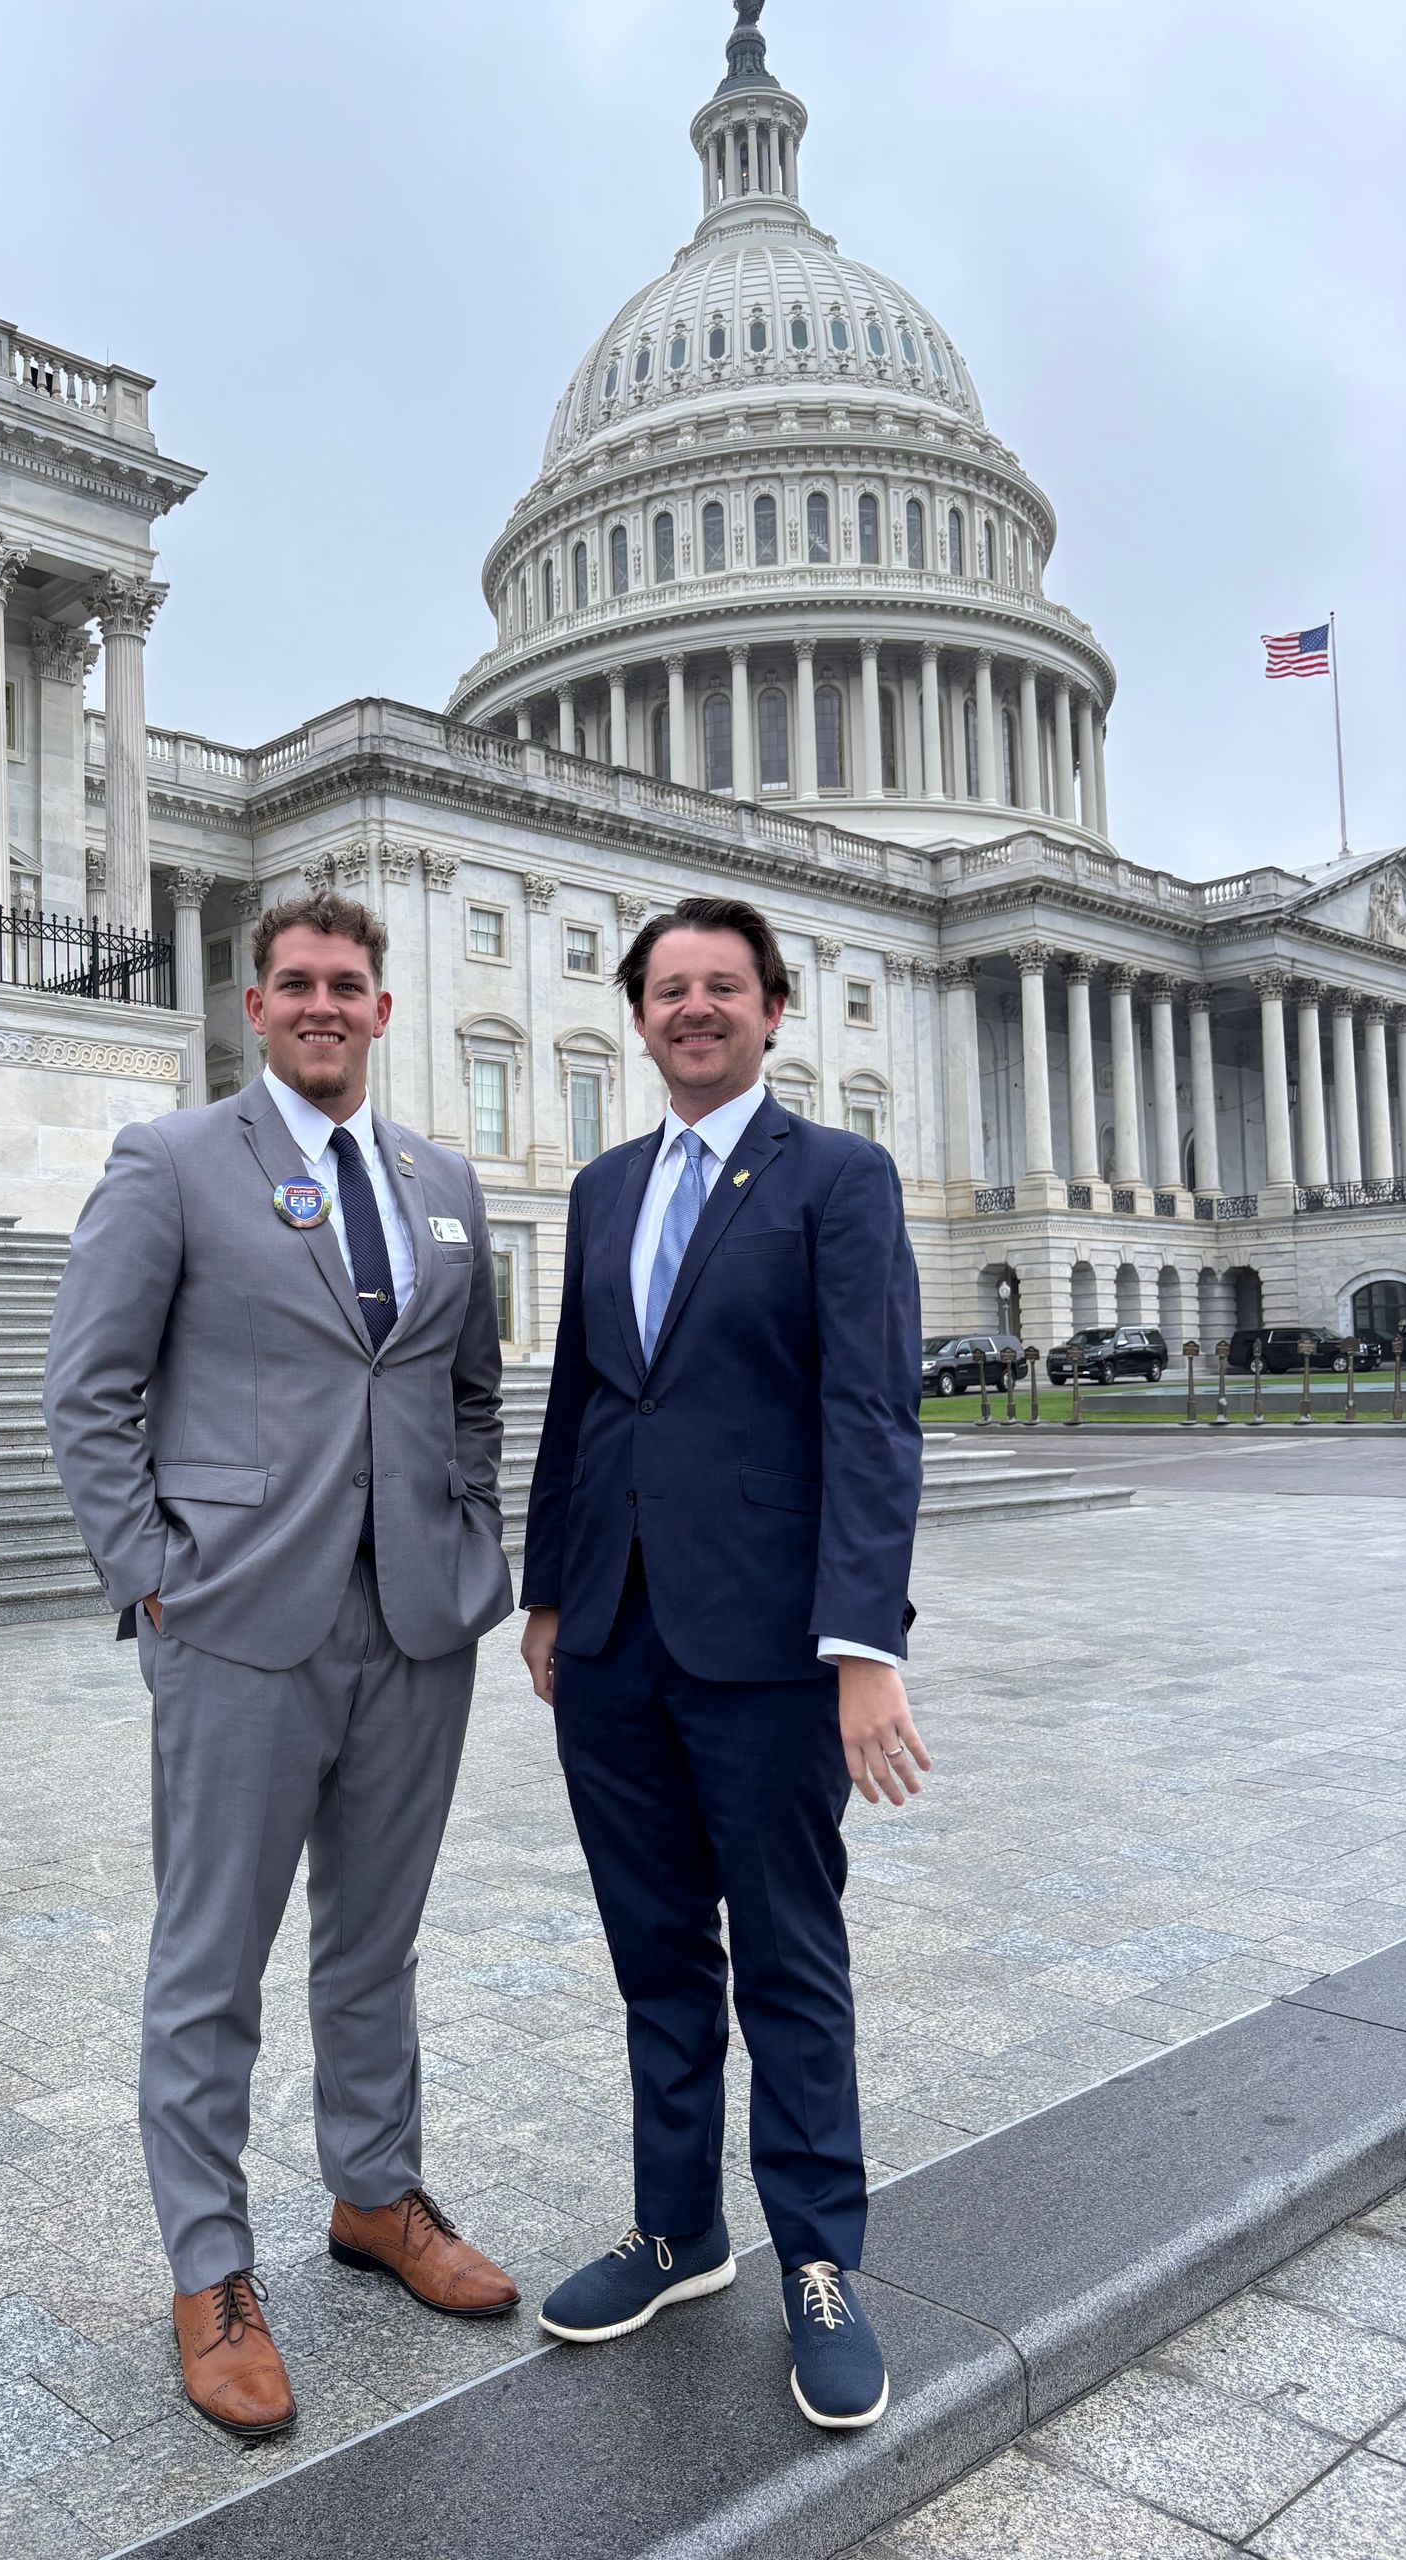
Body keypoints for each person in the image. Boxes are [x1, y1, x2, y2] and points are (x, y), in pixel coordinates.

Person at [44, 889, 520, 2442]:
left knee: (373, 1947)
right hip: (240, 1628)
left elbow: (463, 1393)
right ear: (256, 1007)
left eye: (350, 985)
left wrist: (466, 1547)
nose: (324, 1004)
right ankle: (211, 2271)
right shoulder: (172, 1164)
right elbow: (89, 1393)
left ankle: (376, 2197)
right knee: (210, 1967)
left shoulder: (442, 1182)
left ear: (385, 1010)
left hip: (414, 1630)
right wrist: (155, 1583)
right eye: (297, 983)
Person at [519, 894, 926, 2431]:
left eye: (722, 987)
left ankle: (820, 2259)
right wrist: (549, 1592)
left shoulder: (839, 1176)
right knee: (656, 1955)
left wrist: (863, 1646)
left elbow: (870, 1419)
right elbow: (582, 1405)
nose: (694, 1009)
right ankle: (678, 2226)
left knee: (789, 1960)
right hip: (614, 1638)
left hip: (766, 1646)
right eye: (669, 989)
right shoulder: (607, 1185)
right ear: (638, 1018)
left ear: (771, 1012)